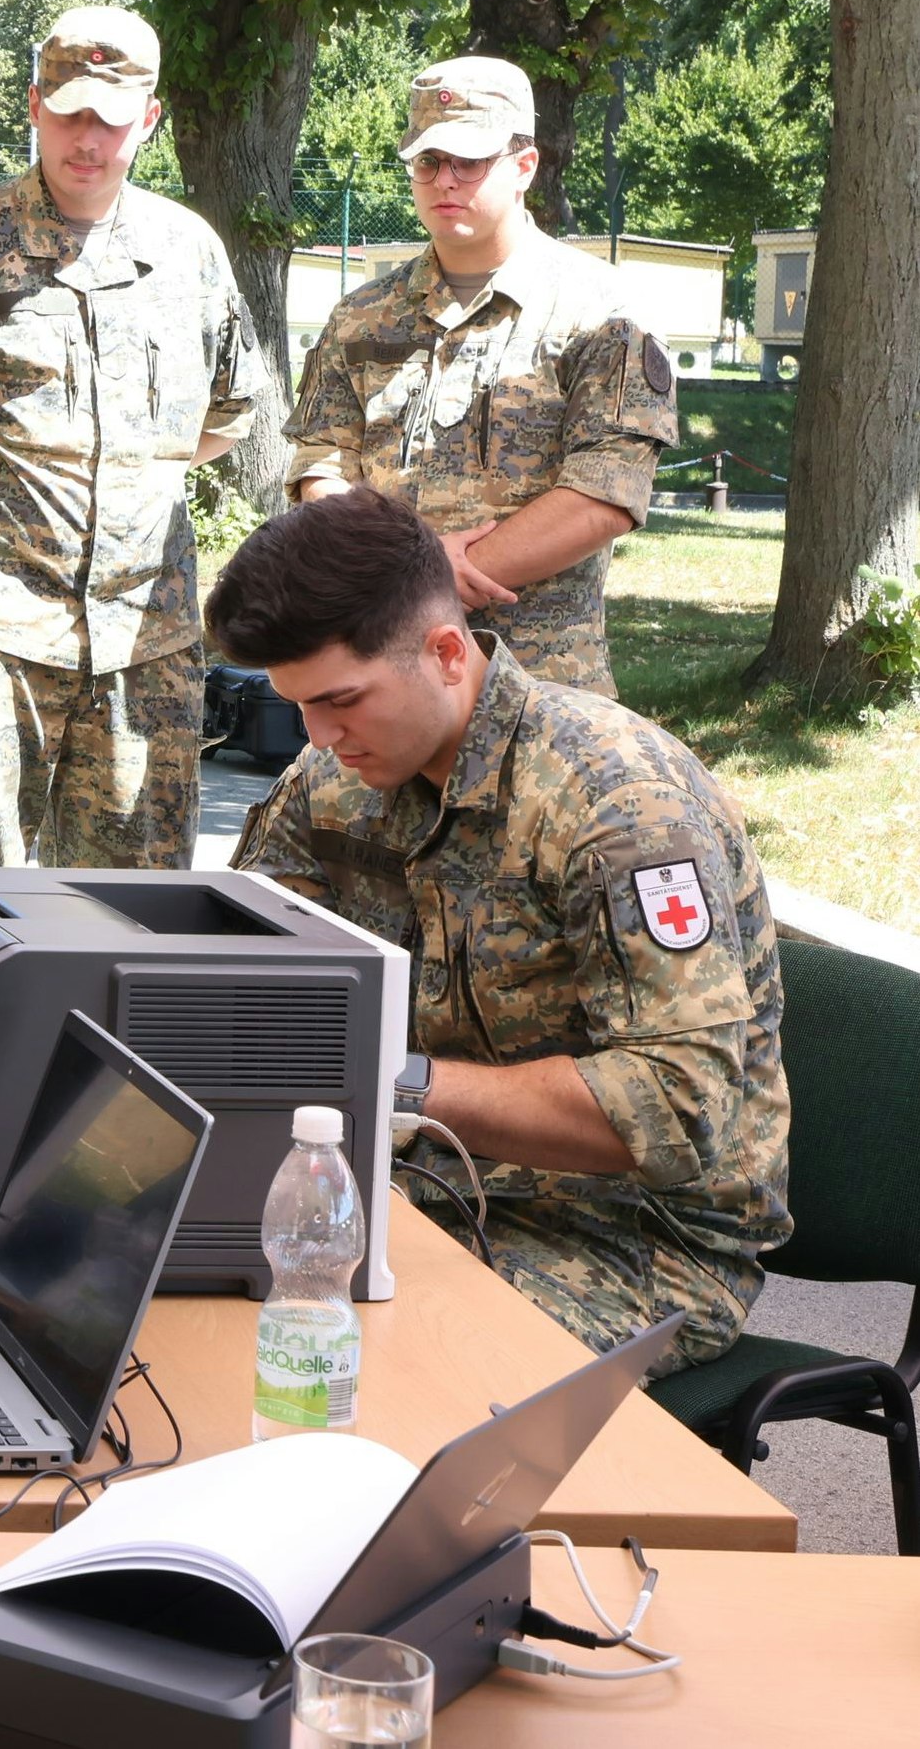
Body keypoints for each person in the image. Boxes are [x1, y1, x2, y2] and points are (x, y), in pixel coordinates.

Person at [213, 488, 787, 1375]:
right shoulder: (333, 781)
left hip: (625, 1236)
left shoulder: (618, 805)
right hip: (404, 1188)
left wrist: (392, 1084)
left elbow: (677, 1108)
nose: (319, 737)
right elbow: (250, 976)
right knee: (171, 1287)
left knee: (373, 1362)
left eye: (341, 701)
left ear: (447, 652)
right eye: (297, 707)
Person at [0, 6, 268, 870]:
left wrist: (125, 482)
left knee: (134, 910)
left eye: (111, 120)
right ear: (33, 105)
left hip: (145, 638)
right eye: (69, 112)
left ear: (148, 119)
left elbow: (228, 416)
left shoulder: (190, 254)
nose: (88, 139)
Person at [286, 56, 680, 698]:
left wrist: (432, 578)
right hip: (380, 674)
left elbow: (604, 495)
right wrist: (394, 577)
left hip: (540, 688)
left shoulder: (602, 314)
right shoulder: (360, 318)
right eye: (428, 162)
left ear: (524, 165)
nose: (446, 180)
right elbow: (322, 467)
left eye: (470, 161)